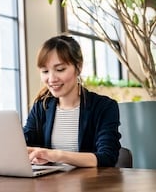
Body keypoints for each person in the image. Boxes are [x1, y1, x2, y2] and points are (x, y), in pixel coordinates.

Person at [23, 35, 121, 167]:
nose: (51, 79)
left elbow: (107, 157)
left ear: (78, 67)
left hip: (90, 185)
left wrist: (57, 155)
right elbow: (24, 142)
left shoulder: (104, 106)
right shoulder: (41, 107)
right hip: (50, 185)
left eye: (60, 69)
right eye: (45, 71)